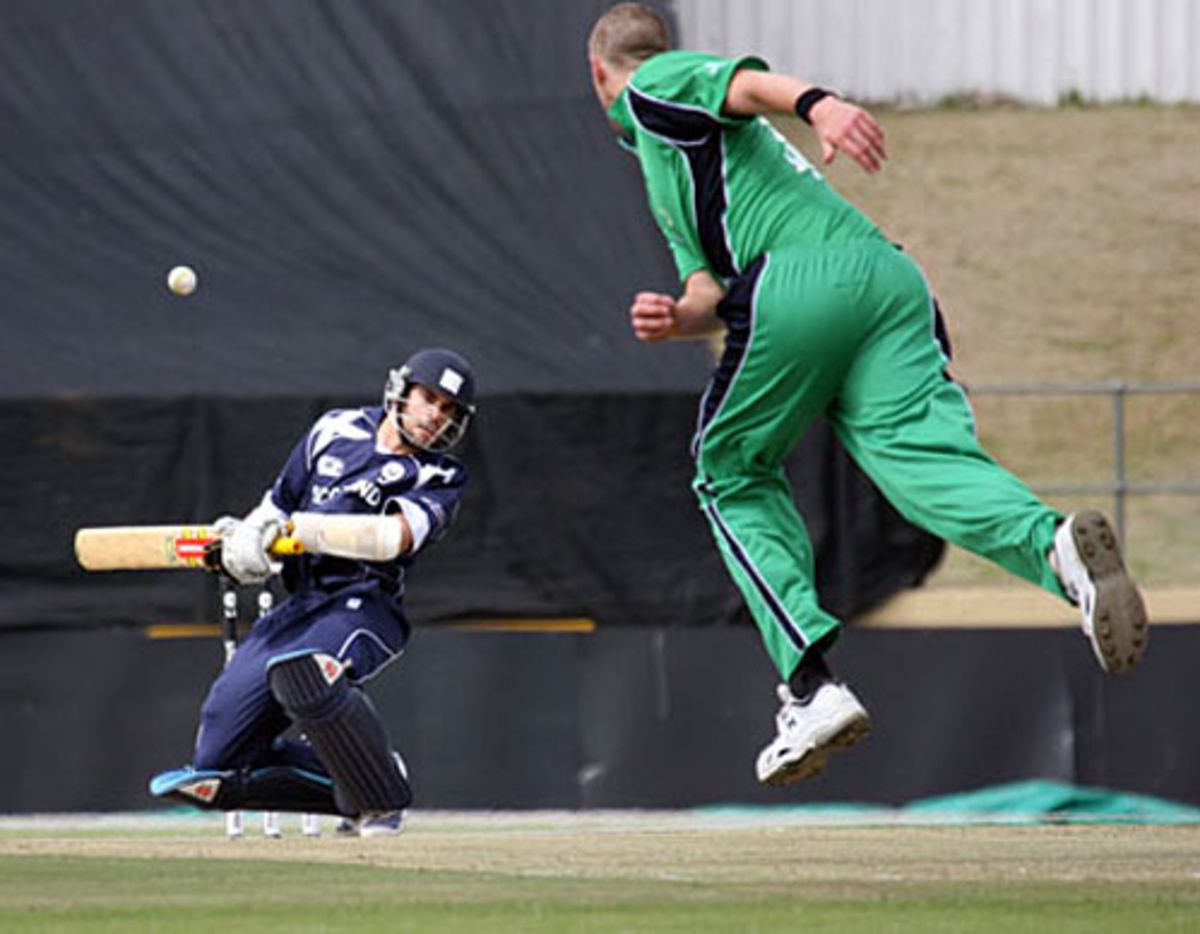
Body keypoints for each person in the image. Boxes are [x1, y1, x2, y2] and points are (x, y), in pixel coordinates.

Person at [587, 4, 1149, 787]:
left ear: (597, 74)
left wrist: (822, 103)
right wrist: (676, 317)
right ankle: (1057, 553)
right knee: (922, 466)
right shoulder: (671, 163)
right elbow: (708, 290)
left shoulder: (652, 84)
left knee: (729, 472)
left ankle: (810, 688)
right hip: (885, 279)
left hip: (801, 283)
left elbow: (745, 86)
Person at [150, 348, 476, 835]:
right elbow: (274, 507)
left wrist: (300, 529)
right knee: (217, 759)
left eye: (449, 409)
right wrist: (246, 544)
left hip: (363, 604)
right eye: (429, 398)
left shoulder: (439, 475)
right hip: (300, 603)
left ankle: (382, 801)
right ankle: (365, 779)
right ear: (401, 390)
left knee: (305, 671)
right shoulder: (334, 429)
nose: (435, 415)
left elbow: (390, 539)